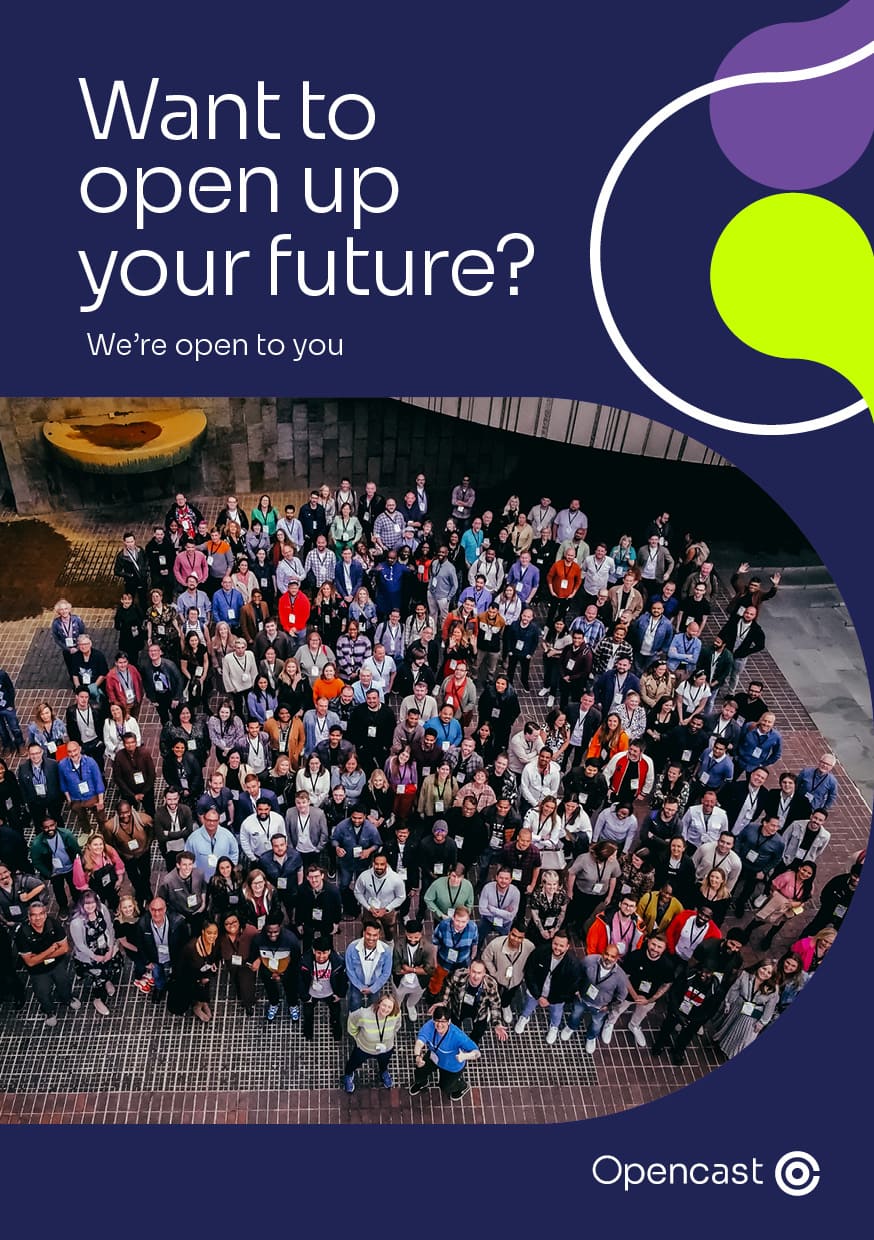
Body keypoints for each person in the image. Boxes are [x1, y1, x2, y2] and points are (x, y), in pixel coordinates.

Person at [601, 931, 675, 1047]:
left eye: (659, 947)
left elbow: (666, 984)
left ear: (664, 949)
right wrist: (634, 995)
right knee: (617, 1009)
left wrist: (650, 1000)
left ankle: (634, 1025)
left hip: (649, 997)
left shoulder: (667, 965)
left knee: (641, 1013)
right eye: (653, 944)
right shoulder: (635, 956)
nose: (655, 949)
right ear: (648, 941)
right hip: (628, 993)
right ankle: (609, 1023)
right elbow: (624, 977)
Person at [17, 901, 81, 1026]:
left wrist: (38, 957)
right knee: (42, 991)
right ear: (29, 917)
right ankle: (49, 1011)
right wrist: (51, 950)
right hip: (38, 971)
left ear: (45, 915)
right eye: (34, 915)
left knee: (64, 982)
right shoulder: (22, 934)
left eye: (41, 914)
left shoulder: (54, 924)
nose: (38, 918)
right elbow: (30, 962)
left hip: (56, 964)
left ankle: (67, 999)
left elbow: (64, 949)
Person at [650, 960, 720, 1064]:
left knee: (687, 1035)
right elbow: (674, 992)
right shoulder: (688, 975)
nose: (703, 975)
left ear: (713, 973)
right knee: (667, 1026)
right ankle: (660, 1043)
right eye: (702, 971)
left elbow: (710, 1010)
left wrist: (695, 1021)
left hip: (694, 1017)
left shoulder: (715, 988)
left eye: (707, 973)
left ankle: (678, 1050)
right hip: (678, 1009)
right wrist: (676, 1012)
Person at [710, 960, 779, 1058]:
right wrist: (728, 1003)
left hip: (754, 1012)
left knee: (744, 1037)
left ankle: (733, 1053)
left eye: (769, 972)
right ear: (759, 966)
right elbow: (734, 989)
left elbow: (770, 1008)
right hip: (738, 1005)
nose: (765, 973)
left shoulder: (773, 989)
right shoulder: (745, 975)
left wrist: (762, 1022)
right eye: (764, 969)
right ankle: (723, 1046)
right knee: (730, 1027)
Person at [409, 1004, 480, 1100]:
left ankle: (462, 1086)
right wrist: (417, 1056)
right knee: (419, 1071)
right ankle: (422, 1082)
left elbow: (476, 1052)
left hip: (451, 1066)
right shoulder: (430, 1025)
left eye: (443, 1021)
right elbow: (420, 1041)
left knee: (445, 1087)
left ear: (449, 1021)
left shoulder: (457, 1036)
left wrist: (464, 1056)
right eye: (437, 1021)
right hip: (433, 1057)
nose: (439, 1025)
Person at [68, 890, 122, 1016]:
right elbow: (80, 945)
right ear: (82, 904)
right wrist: (95, 957)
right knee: (98, 977)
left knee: (111, 967)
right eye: (87, 904)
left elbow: (109, 927)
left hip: (105, 948)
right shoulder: (77, 923)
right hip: (90, 956)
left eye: (92, 903)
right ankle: (98, 999)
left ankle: (107, 981)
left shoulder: (102, 909)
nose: (90, 906)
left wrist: (110, 948)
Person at [747, 860, 817, 950]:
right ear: (799, 868)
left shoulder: (809, 885)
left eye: (809, 873)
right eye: (804, 870)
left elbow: (806, 898)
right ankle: (747, 931)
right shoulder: (787, 876)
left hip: (789, 909)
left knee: (778, 924)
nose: (805, 874)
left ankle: (768, 938)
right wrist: (779, 898)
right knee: (762, 918)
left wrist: (798, 903)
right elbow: (773, 886)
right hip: (777, 905)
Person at [343, 992, 402, 1092]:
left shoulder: (396, 1014)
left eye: (389, 1007)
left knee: (384, 1063)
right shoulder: (364, 1014)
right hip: (364, 1048)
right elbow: (352, 1022)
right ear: (379, 1003)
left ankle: (383, 1072)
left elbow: (397, 1026)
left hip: (386, 1048)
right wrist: (356, 1037)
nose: (386, 1009)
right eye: (384, 1005)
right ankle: (348, 1075)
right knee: (353, 1063)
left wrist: (389, 1036)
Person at [445, 958, 508, 1045]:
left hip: (479, 1011)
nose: (476, 976)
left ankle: (472, 1045)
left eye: (479, 973)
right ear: (469, 970)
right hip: (458, 1008)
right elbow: (448, 985)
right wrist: (443, 1003)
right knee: (453, 1028)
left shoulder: (490, 984)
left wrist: (497, 1023)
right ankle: (454, 1041)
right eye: (473, 972)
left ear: (484, 973)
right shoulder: (459, 975)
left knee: (478, 1032)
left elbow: (495, 1004)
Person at [300, 936, 348, 1041]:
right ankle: (308, 1032)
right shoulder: (305, 961)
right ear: (313, 951)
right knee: (307, 1014)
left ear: (330, 951)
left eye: (325, 953)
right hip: (311, 994)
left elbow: (343, 979)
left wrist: (340, 994)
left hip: (331, 993)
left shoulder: (338, 962)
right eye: (318, 953)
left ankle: (336, 1031)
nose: (321, 957)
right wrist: (304, 996)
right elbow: (299, 980)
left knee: (335, 1014)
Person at [345, 922, 393, 1011]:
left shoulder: (386, 950)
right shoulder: (352, 948)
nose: (371, 938)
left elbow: (386, 972)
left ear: (379, 935)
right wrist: (360, 986)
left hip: (375, 984)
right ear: (363, 933)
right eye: (368, 934)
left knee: (374, 1003)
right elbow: (349, 969)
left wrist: (373, 988)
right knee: (355, 1002)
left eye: (375, 935)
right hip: (357, 984)